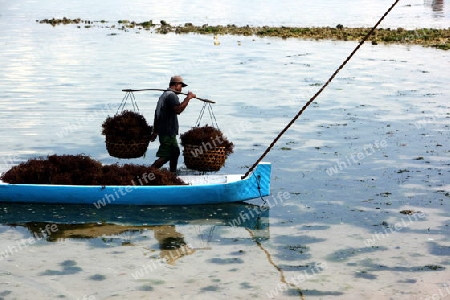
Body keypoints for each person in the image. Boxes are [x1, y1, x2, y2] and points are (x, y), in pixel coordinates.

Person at [150, 76, 196, 173]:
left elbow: (157, 114)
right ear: (175, 85)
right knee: (167, 154)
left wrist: (155, 131)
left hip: (165, 131)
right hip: (167, 132)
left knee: (175, 152)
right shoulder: (171, 96)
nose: (181, 89)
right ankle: (148, 173)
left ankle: (173, 174)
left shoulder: (164, 95)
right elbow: (178, 110)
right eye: (180, 86)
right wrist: (188, 98)